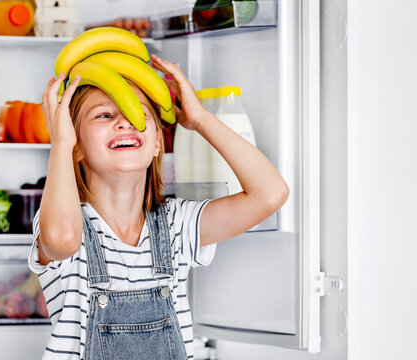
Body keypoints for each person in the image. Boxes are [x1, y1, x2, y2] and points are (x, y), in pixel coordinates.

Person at [28, 54, 289, 360]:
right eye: (103, 116)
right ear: (77, 147)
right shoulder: (65, 222)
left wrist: (200, 120)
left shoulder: (177, 224)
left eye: (138, 114)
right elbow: (60, 238)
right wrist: (59, 144)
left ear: (156, 144)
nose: (124, 121)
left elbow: (270, 194)